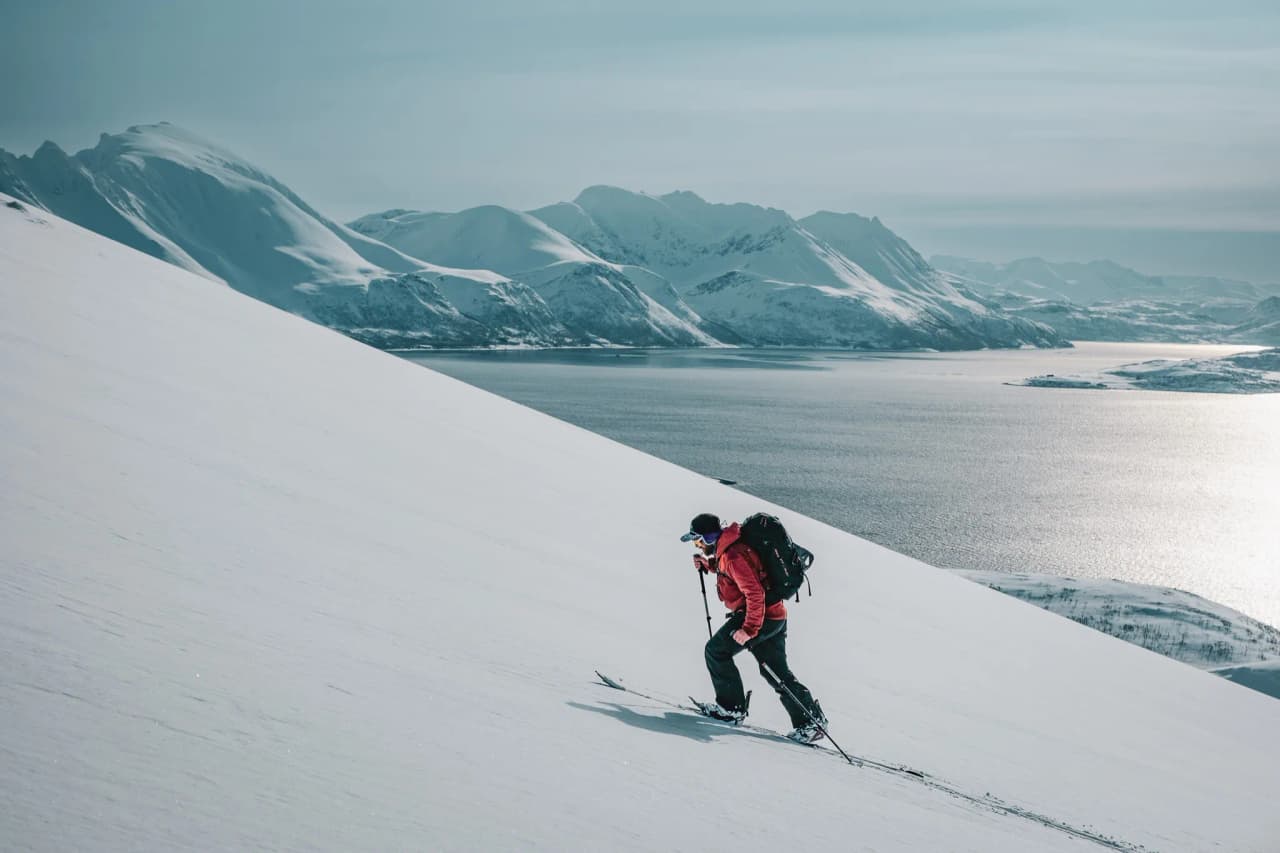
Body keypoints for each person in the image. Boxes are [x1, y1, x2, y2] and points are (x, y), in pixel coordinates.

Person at [682, 512, 827, 743]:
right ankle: (810, 721)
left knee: (716, 651)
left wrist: (749, 629)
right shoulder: (728, 550)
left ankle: (731, 709)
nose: (698, 546)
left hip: (759, 616)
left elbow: (754, 592)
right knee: (774, 670)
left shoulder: (731, 555)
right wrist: (709, 565)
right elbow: (743, 573)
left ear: (710, 538)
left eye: (699, 541)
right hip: (774, 615)